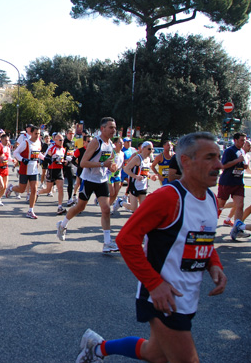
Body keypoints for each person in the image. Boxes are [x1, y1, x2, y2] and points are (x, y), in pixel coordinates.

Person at [75, 132, 227, 363]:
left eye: (218, 157)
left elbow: (200, 237)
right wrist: (154, 284)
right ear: (185, 161)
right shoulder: (168, 197)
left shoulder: (210, 199)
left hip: (187, 298)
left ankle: (97, 348)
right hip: (162, 299)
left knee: (154, 353)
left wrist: (214, 264)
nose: (219, 164)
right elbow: (126, 239)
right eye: (210, 158)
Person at [56, 117, 119, 253]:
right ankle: (62, 224)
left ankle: (107, 243)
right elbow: (83, 163)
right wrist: (103, 164)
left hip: (101, 180)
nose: (114, 130)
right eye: (111, 127)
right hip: (89, 180)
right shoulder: (96, 142)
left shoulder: (111, 145)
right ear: (102, 129)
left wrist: (111, 167)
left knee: (106, 210)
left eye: (114, 127)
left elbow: (109, 162)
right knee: (80, 207)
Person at [218, 132, 250, 239]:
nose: (243, 142)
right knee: (220, 205)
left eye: (245, 140)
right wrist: (237, 160)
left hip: (238, 182)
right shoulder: (229, 151)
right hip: (227, 182)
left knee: (240, 205)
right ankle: (208, 222)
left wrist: (245, 165)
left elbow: (243, 165)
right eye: (242, 140)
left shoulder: (242, 151)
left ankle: (237, 230)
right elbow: (223, 165)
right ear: (235, 140)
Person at [7, 126, 42, 219]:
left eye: (39, 134)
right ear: (31, 133)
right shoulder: (25, 142)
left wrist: (45, 158)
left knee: (34, 189)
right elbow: (15, 153)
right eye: (36, 133)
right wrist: (22, 159)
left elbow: (38, 153)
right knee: (22, 190)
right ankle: (11, 188)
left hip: (34, 170)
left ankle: (31, 210)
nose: (37, 135)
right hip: (25, 169)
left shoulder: (38, 142)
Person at [121, 141, 158, 213]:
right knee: (133, 208)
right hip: (134, 185)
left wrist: (151, 177)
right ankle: (121, 202)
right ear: (143, 148)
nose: (151, 151)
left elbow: (146, 173)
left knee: (143, 208)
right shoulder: (137, 158)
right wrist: (135, 176)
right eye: (149, 149)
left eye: (152, 149)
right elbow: (126, 169)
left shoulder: (148, 159)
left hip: (143, 186)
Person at [38, 133, 67, 215]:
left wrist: (64, 161)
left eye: (63, 140)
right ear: (55, 140)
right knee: (48, 189)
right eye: (60, 140)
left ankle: (60, 206)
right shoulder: (52, 148)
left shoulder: (63, 149)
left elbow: (62, 159)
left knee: (60, 188)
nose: (62, 141)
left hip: (59, 170)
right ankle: (38, 193)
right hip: (51, 170)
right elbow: (46, 158)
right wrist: (52, 159)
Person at [0, 133, 13, 206]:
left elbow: (9, 157)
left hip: (5, 169)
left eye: (8, 140)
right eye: (5, 140)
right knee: (1, 186)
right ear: (1, 140)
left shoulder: (8, 148)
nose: (7, 142)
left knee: (5, 187)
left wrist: (13, 160)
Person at [108, 137, 125, 215]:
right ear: (115, 144)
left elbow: (122, 164)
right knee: (112, 193)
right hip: (110, 174)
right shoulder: (112, 152)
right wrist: (111, 166)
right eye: (120, 142)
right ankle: (104, 204)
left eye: (122, 143)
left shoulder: (122, 153)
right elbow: (107, 162)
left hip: (118, 174)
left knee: (116, 193)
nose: (122, 144)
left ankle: (108, 207)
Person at [62, 129, 76, 207]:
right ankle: (40, 192)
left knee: (71, 181)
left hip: (69, 165)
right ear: (66, 134)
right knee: (54, 182)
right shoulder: (64, 143)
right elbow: (61, 153)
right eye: (70, 134)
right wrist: (65, 159)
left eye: (73, 134)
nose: (71, 135)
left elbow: (72, 154)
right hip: (62, 165)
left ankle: (69, 198)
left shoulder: (72, 143)